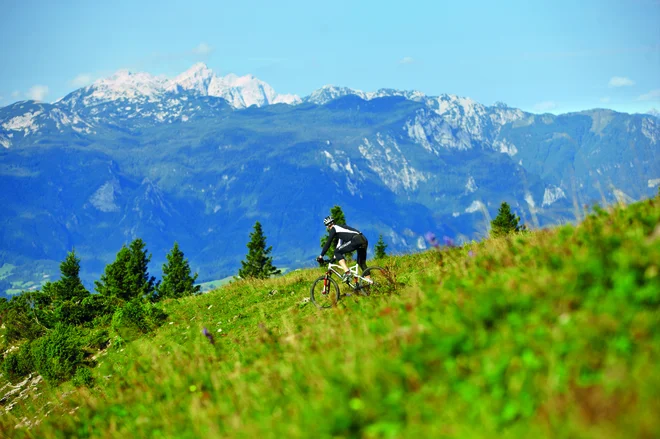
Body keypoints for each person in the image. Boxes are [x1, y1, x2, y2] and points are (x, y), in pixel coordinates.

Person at [317, 216, 369, 283]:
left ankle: (347, 272)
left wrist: (321, 256)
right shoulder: (340, 229)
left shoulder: (334, 228)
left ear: (328, 226)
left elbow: (328, 243)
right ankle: (370, 282)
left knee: (337, 252)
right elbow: (339, 246)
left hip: (356, 240)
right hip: (363, 239)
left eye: (327, 226)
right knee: (361, 263)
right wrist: (332, 260)